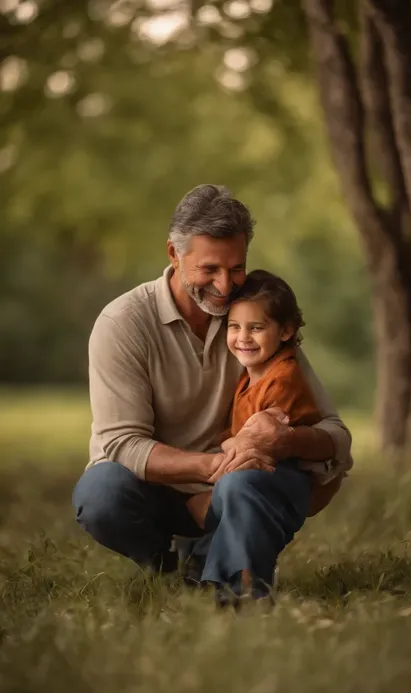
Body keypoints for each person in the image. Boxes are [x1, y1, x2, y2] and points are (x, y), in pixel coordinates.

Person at [72, 184, 353, 604]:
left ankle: (225, 579)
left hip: (239, 486)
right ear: (173, 254)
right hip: (164, 485)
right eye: (210, 270)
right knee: (101, 495)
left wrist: (288, 441)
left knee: (250, 483)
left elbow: (335, 434)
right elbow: (122, 443)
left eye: (236, 268)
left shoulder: (253, 320)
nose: (225, 286)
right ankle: (168, 568)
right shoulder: (123, 323)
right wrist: (218, 466)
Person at [185, 269, 339, 538]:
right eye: (234, 326)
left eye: (256, 327)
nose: (243, 337)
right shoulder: (251, 374)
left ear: (286, 331)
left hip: (285, 473)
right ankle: (206, 558)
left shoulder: (282, 379)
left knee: (208, 504)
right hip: (257, 468)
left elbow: (261, 444)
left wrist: (227, 449)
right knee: (207, 504)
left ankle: (231, 570)